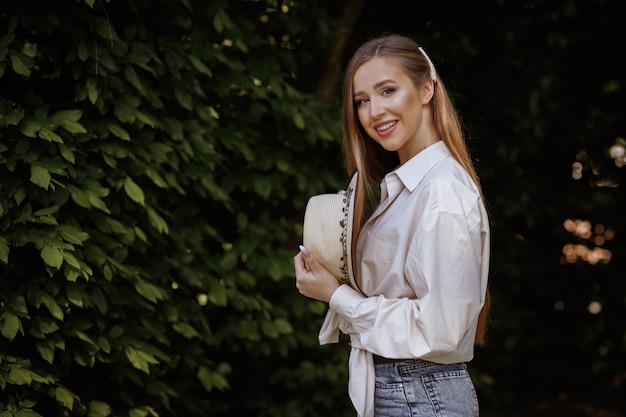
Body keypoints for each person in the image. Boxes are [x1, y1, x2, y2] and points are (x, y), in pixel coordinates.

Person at [294, 33, 490, 417]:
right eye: (362, 100)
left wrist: (337, 296)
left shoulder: (442, 193)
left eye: (387, 90)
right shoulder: (403, 190)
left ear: (426, 89)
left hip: (420, 394)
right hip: (405, 389)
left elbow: (440, 329)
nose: (374, 111)